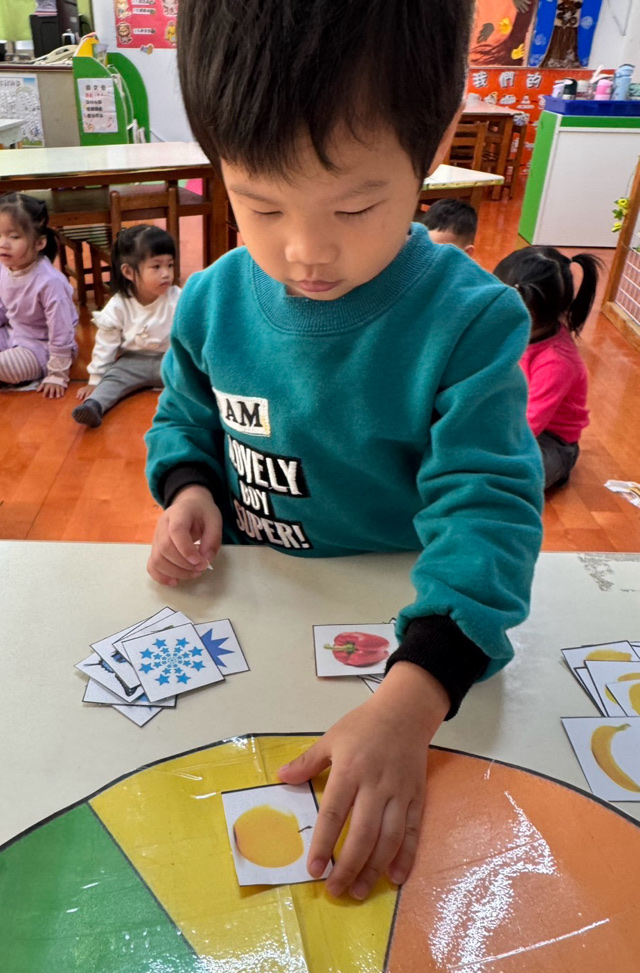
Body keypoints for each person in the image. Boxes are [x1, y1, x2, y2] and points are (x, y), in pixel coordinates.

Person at [144, 0, 544, 902]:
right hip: (257, 609)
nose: (304, 250)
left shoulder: (471, 321)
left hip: (410, 628)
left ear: (434, 143)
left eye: (357, 205)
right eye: (259, 204)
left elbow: (487, 508)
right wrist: (191, 486)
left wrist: (416, 696)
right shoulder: (211, 301)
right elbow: (183, 416)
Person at [495, 245, 601, 490]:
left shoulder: (556, 362)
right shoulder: (509, 329)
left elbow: (529, 424)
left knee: (508, 474)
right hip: (506, 418)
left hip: (549, 442)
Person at [0, 193, 78, 398]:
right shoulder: (0, 266)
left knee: (4, 365)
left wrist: (57, 373)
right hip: (12, 333)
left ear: (39, 243)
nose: (3, 243)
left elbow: (61, 332)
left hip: (42, 346)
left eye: (14, 237)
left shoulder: (50, 282)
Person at [72, 225, 180, 428]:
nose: (166, 273)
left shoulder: (178, 298)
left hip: (170, 360)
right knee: (113, 379)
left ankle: (201, 411)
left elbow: (190, 336)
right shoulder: (118, 305)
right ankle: (94, 406)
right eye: (156, 267)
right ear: (129, 272)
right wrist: (95, 379)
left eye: (170, 265)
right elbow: (105, 344)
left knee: (194, 379)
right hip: (132, 363)